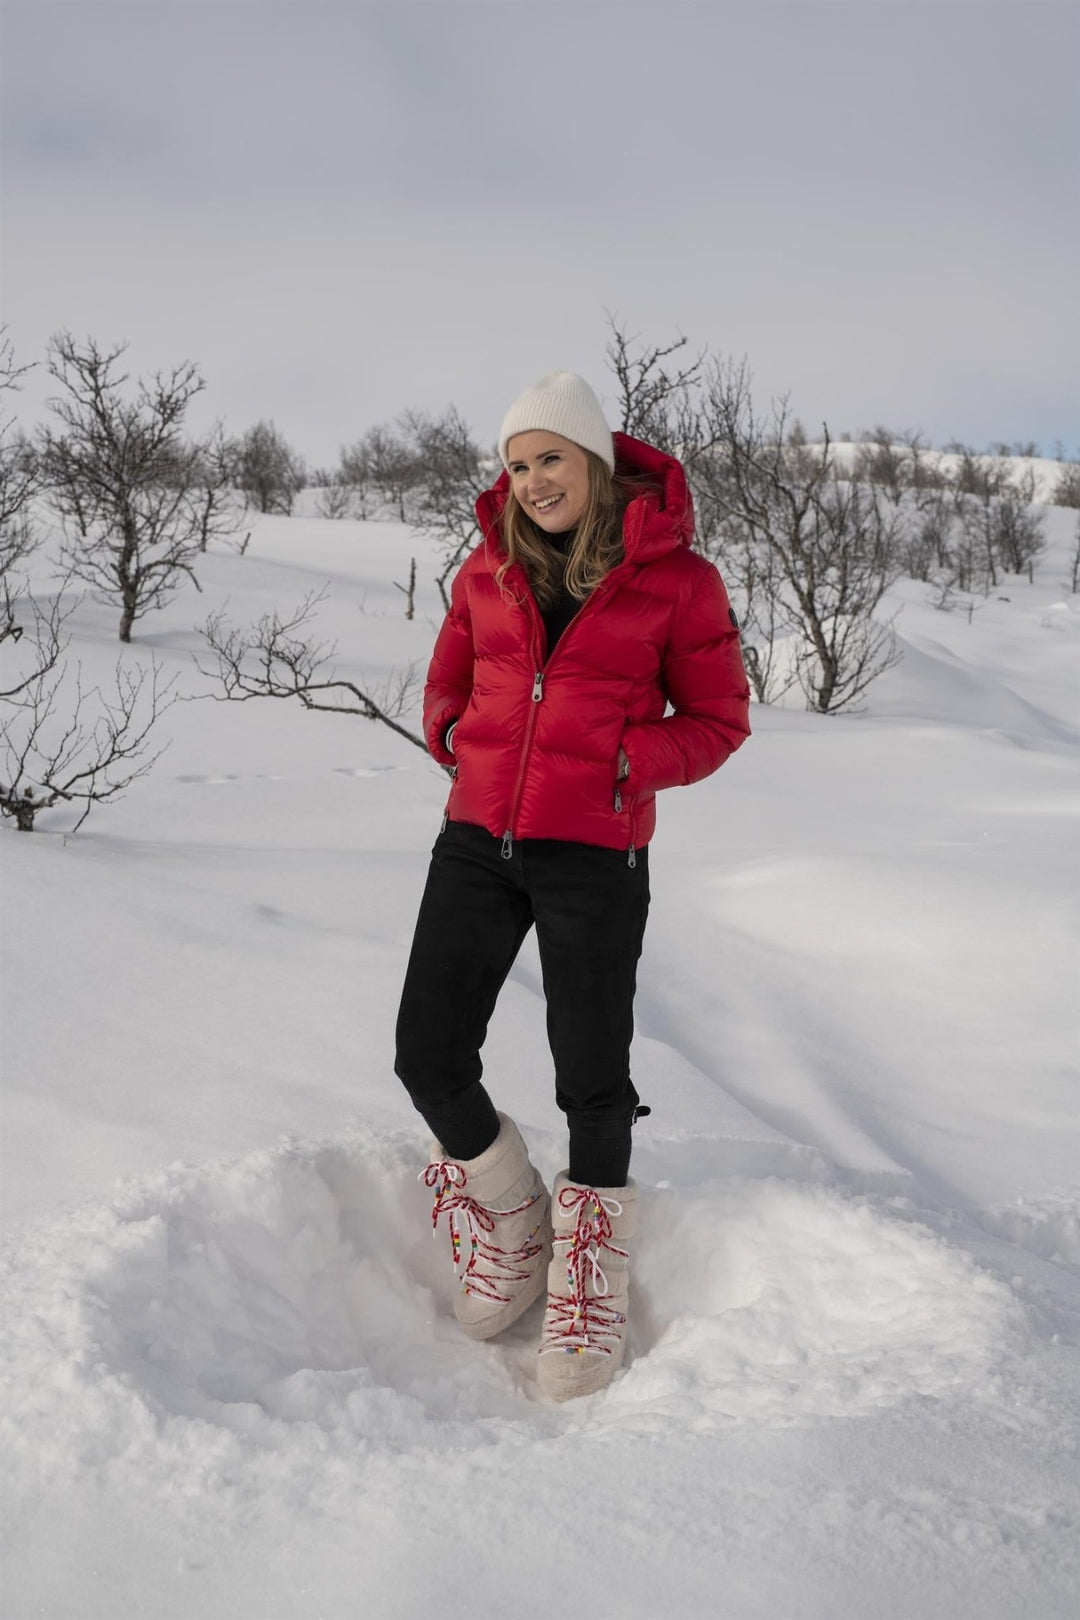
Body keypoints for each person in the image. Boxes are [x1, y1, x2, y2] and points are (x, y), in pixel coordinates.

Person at [395, 370, 750, 1400]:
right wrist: (455, 738)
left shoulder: (679, 580)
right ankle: (513, 1227)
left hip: (595, 851)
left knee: (593, 1078)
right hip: (477, 840)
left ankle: (588, 1271)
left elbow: (718, 721)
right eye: (515, 463)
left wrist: (627, 764)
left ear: (592, 461)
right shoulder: (486, 569)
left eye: (549, 457)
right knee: (428, 1054)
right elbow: (445, 684)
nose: (532, 479)